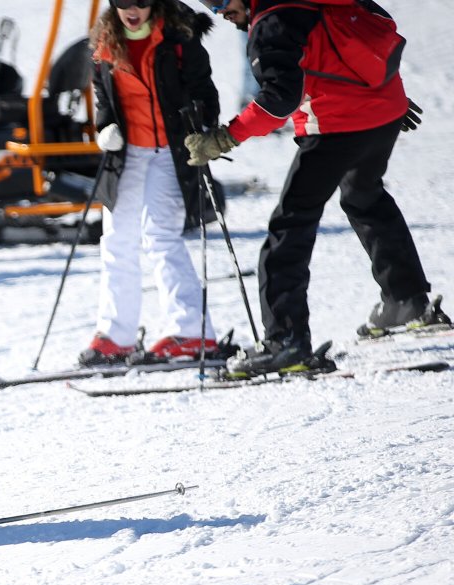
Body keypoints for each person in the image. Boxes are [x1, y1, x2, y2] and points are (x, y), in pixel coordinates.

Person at [187, 0, 448, 376]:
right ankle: (406, 300)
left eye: (222, 2)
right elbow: (377, 31)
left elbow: (279, 99)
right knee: (364, 196)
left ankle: (285, 341)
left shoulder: (270, 23)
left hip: (337, 126)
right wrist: (386, 93)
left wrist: (226, 137)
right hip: (383, 114)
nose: (219, 12)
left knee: (289, 226)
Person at [81, 0, 224, 366]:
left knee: (161, 236)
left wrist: (203, 128)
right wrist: (105, 128)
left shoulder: (179, 38)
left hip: (170, 153)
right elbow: (104, 100)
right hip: (127, 155)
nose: (133, 9)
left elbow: (205, 93)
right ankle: (116, 336)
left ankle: (192, 332)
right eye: (124, 2)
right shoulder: (104, 44)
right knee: (115, 241)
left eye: (141, 1)